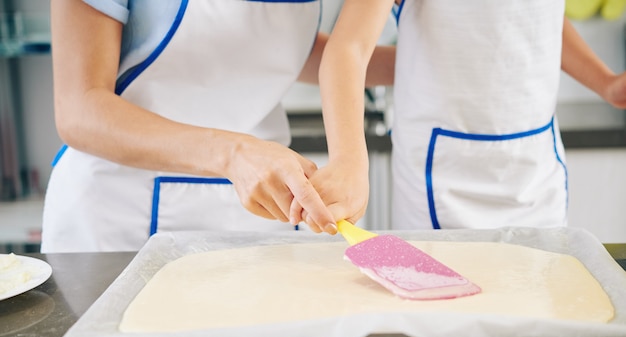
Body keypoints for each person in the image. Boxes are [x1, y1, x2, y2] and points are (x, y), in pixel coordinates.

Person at [41, 0, 395, 253]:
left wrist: (423, 65)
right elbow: (79, 108)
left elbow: (269, 48)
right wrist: (234, 154)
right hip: (118, 219)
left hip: (256, 216)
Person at [317, 0, 626, 230]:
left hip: (537, 176)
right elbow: (349, 49)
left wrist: (606, 84)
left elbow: (539, 15)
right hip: (442, 184)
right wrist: (348, 161)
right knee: (442, 311)